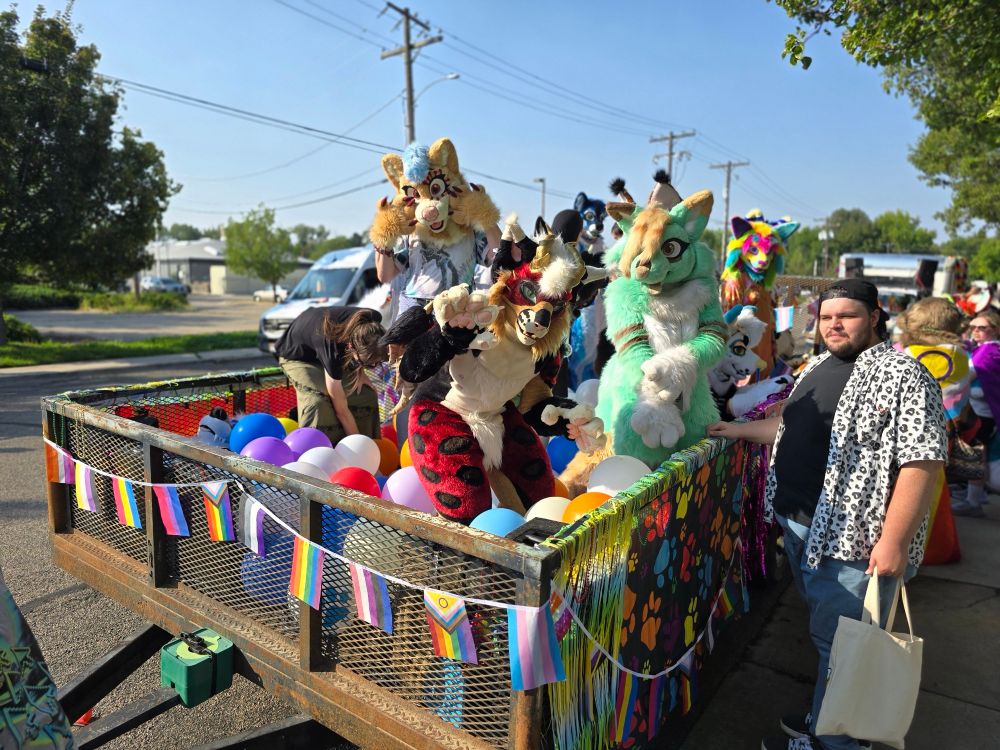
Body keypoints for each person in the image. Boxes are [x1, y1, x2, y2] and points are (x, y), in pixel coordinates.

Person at [708, 279, 947, 750]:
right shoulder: (818, 365)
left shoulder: (904, 373)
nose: (834, 325)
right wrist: (736, 430)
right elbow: (789, 427)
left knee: (844, 648)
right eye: (826, 317)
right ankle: (827, 718)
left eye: (848, 315)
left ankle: (835, 742)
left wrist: (894, 541)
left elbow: (923, 461)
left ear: (874, 317)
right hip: (803, 527)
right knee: (831, 637)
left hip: (854, 541)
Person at [275, 306, 387, 445]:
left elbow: (370, 347)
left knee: (366, 394)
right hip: (299, 357)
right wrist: (357, 445)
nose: (374, 366)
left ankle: (372, 443)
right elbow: (342, 411)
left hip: (325, 345)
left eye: (377, 363)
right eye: (368, 364)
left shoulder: (373, 321)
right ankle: (318, 449)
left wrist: (361, 371)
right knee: (318, 402)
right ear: (351, 346)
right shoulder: (331, 348)